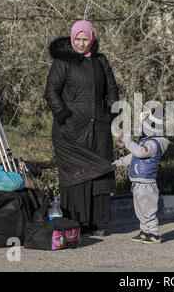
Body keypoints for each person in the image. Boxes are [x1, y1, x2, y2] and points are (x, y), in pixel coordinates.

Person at [44, 20, 120, 235]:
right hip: (70, 132)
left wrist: (109, 112)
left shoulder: (100, 61)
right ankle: (76, 223)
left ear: (91, 39)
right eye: (77, 39)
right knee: (77, 176)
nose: (81, 43)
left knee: (97, 176)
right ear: (71, 38)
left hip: (99, 131)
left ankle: (95, 223)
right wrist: (63, 114)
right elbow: (51, 92)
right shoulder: (63, 62)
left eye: (85, 39)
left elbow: (112, 89)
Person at [112, 106, 170, 244]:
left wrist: (128, 141)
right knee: (140, 210)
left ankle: (154, 233)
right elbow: (133, 156)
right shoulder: (145, 142)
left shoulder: (154, 144)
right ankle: (145, 231)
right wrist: (120, 162)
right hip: (138, 183)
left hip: (147, 184)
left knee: (148, 209)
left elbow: (139, 152)